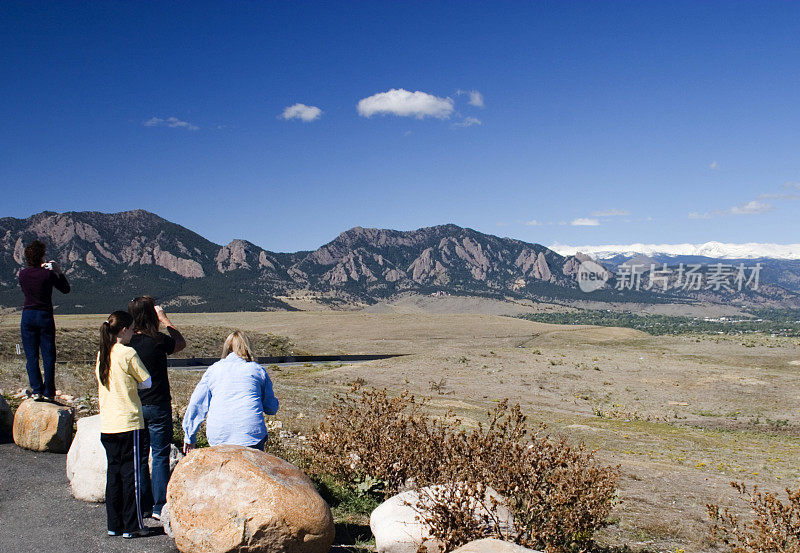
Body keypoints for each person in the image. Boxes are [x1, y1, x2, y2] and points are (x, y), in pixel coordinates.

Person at [127, 296, 185, 521]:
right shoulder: (159, 340)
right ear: (152, 315)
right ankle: (160, 505)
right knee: (160, 454)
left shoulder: (127, 343)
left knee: (140, 456)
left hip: (135, 405)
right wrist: (166, 320)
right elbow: (180, 343)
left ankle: (142, 503)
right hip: (158, 403)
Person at [96, 311, 153, 539]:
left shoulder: (103, 353)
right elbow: (146, 381)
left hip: (108, 424)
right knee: (132, 477)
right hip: (128, 422)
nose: (132, 333)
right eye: (130, 329)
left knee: (114, 475)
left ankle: (114, 523)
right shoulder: (128, 353)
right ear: (123, 330)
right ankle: (133, 524)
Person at [182, 331, 279, 453]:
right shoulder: (257, 370)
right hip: (250, 436)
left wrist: (189, 436)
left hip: (219, 435)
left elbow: (196, 404)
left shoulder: (213, 370)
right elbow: (271, 408)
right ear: (248, 348)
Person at [18, 240, 70, 401]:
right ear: (41, 256)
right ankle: (49, 392)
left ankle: (36, 390)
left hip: (27, 314)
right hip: (44, 315)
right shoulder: (47, 274)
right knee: (48, 355)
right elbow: (65, 289)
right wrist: (58, 271)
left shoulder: (23, 274)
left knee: (31, 356)